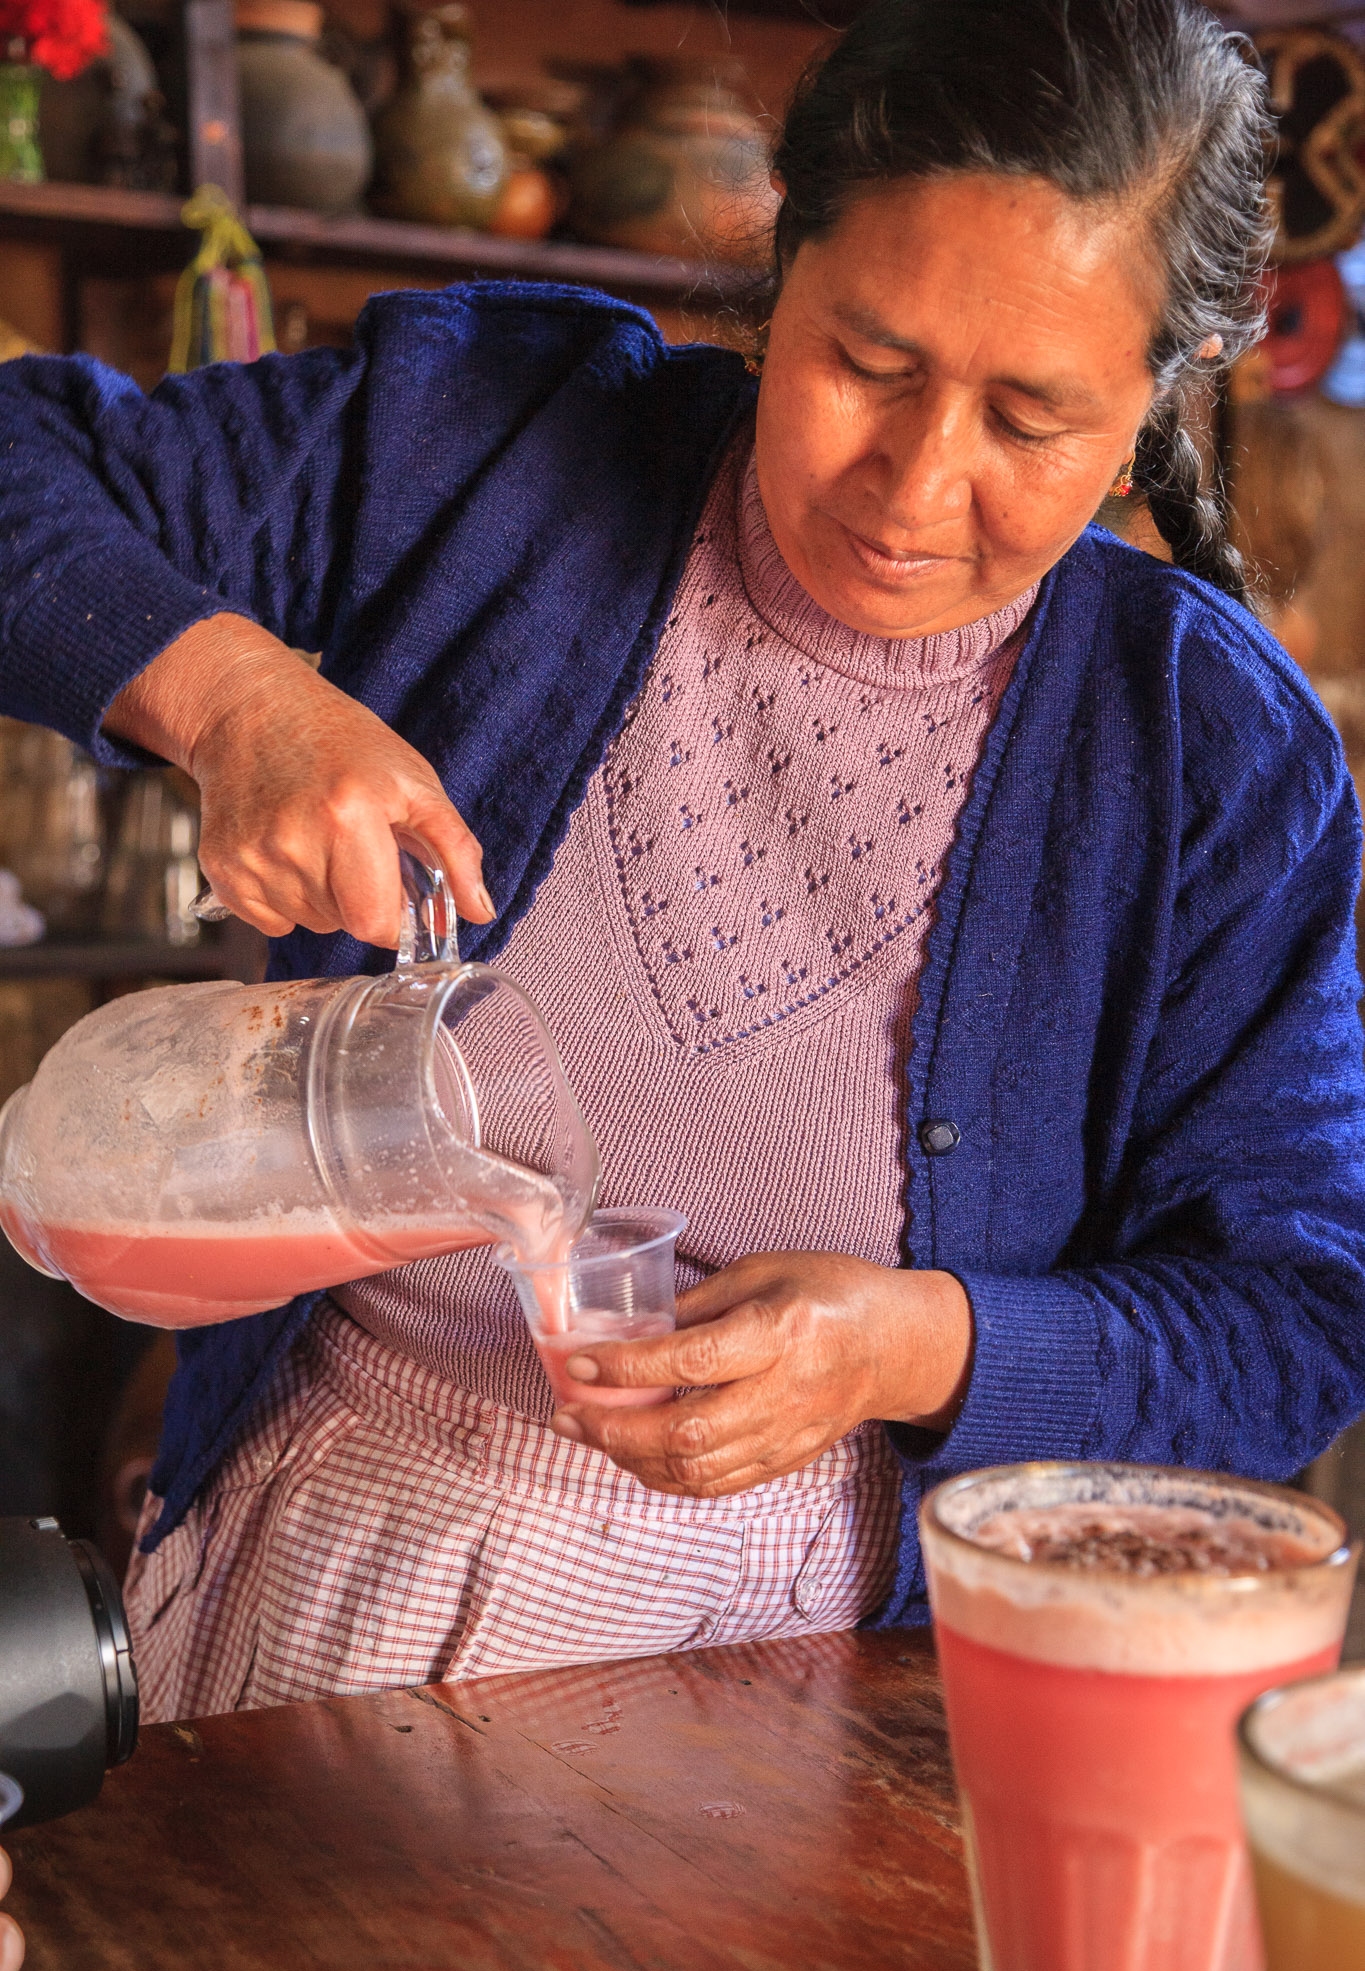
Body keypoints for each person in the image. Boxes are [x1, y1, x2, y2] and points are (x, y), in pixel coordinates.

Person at [1, 0, 1363, 1717]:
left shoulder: (1204, 748)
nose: (914, 486)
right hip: (331, 1616)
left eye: (1028, 421)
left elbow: (1296, 1317)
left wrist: (915, 1344)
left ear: (1163, 386)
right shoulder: (487, 441)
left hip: (824, 1716)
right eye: (866, 362)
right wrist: (233, 694)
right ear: (781, 260)